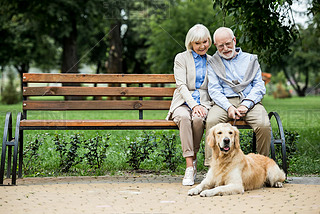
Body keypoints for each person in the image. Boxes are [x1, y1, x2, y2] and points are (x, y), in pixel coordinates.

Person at [205, 27, 271, 165]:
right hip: (224, 102)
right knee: (212, 122)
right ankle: (212, 166)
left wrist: (246, 104)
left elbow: (259, 86)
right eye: (221, 46)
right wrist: (228, 107)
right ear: (216, 46)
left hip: (249, 102)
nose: (225, 48)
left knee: (263, 124)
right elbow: (214, 90)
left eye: (228, 44)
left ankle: (261, 165)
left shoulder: (250, 60)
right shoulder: (213, 63)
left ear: (234, 40)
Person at [166, 24, 213, 186]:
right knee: (185, 118)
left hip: (204, 103)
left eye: (205, 42)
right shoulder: (181, 58)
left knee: (199, 120)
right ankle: (189, 167)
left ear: (209, 41)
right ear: (190, 44)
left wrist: (201, 107)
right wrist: (193, 105)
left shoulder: (213, 61)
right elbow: (181, 85)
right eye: (197, 43)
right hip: (182, 102)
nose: (202, 46)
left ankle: (192, 158)